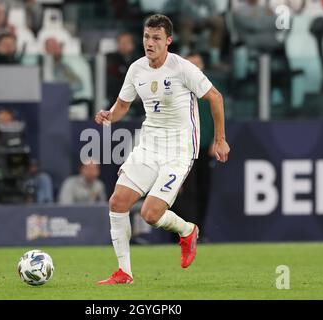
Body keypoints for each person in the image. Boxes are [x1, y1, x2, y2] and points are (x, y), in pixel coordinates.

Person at [94, 14, 230, 284]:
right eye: (146, 37)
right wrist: (110, 114)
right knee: (117, 202)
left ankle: (188, 231)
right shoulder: (136, 69)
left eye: (156, 38)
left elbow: (215, 97)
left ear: (168, 41)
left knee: (150, 214)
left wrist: (220, 139)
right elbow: (123, 105)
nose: (150, 43)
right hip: (149, 145)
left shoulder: (183, 68)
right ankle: (124, 272)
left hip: (179, 149)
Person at [172, 53, 215, 242]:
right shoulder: (179, 88)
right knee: (185, 192)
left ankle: (200, 231)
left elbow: (217, 114)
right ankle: (185, 232)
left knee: (204, 190)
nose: (196, 68)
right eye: (192, 64)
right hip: (185, 148)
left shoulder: (208, 90)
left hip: (204, 146)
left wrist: (217, 139)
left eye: (198, 64)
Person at [0, 108, 53, 204]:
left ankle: (46, 212)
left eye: (7, 122)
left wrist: (29, 168)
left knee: (43, 179)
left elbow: (32, 164)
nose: (4, 125)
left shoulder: (22, 140)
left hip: (19, 183)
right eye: (1, 121)